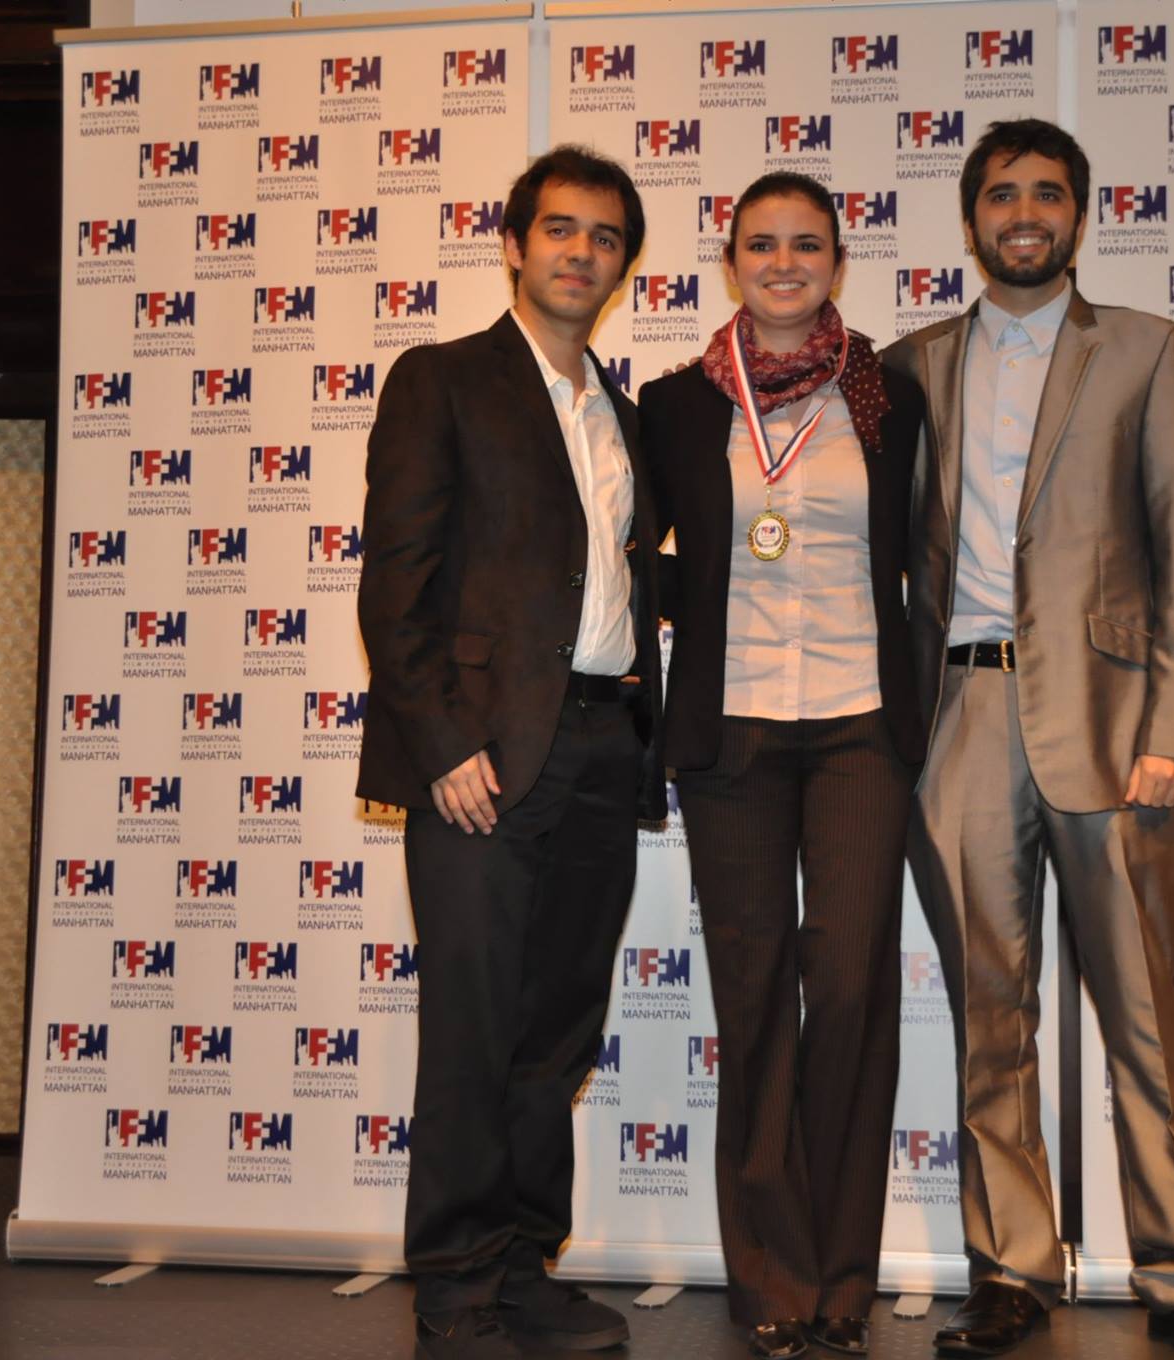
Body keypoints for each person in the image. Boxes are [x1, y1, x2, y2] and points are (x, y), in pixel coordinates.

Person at [881, 120, 1174, 1360]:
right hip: (957, 723)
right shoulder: (906, 367)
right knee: (991, 1016)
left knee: (1143, 1016)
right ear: (971, 216)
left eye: (1047, 193)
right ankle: (1010, 1269)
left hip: (1116, 731)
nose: (1024, 212)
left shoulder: (1149, 351)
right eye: (1002, 194)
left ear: (1079, 214)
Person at [356, 145, 664, 1360]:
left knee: (555, 1032)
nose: (580, 251)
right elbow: (397, 582)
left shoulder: (621, 417)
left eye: (603, 236)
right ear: (515, 244)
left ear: (622, 263)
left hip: (600, 746)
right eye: (560, 229)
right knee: (476, 1026)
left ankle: (526, 1266)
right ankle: (453, 1288)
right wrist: (440, 740)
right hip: (481, 756)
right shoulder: (441, 381)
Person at [637, 172, 927, 1360]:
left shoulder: (888, 398)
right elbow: (628, 554)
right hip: (732, 734)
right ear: (729, 260)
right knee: (752, 999)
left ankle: (843, 1279)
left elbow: (924, 546)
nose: (783, 262)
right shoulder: (670, 404)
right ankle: (770, 1272)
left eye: (806, 244)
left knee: (851, 990)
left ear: (837, 262)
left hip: (859, 721)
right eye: (761, 244)